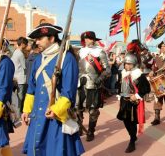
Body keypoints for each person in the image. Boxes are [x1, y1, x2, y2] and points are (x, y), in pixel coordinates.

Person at [21, 23, 84, 156]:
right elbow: (32, 88)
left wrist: (56, 110)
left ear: (51, 38)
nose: (36, 42)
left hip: (55, 116)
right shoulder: (38, 59)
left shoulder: (67, 58)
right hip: (38, 116)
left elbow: (68, 92)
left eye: (40, 38)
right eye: (36, 39)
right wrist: (26, 109)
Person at [76, 31, 110, 141]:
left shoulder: (100, 52)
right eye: (85, 38)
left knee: (93, 110)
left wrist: (99, 79)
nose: (87, 40)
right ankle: (79, 128)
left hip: (94, 84)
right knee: (78, 108)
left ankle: (91, 131)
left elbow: (107, 70)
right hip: (80, 83)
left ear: (94, 40)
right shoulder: (80, 52)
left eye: (89, 38)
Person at [117, 52, 150, 153]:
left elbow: (146, 88)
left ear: (134, 64)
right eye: (126, 63)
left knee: (131, 122)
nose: (127, 65)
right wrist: (119, 95)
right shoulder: (122, 73)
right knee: (125, 121)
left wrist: (136, 96)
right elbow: (120, 85)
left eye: (129, 64)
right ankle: (132, 136)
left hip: (133, 103)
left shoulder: (138, 75)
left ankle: (132, 141)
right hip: (124, 100)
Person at [11, 37, 28, 117]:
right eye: (26, 44)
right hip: (21, 79)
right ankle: (18, 115)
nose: (27, 46)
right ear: (22, 44)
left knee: (16, 97)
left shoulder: (15, 52)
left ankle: (17, 114)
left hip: (15, 77)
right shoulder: (20, 54)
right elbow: (24, 67)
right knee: (20, 98)